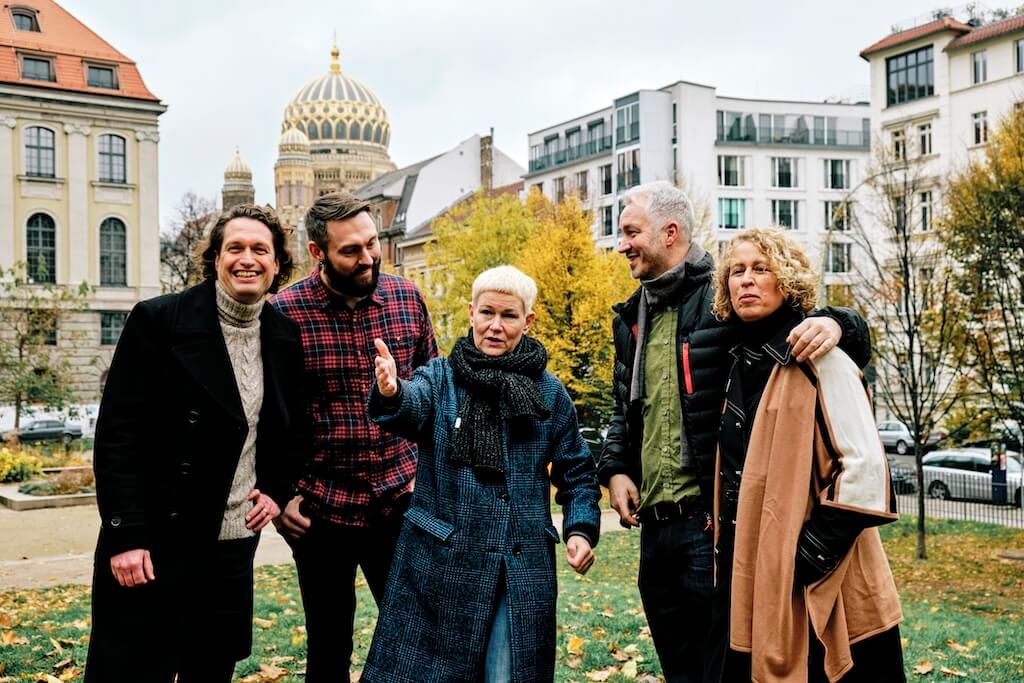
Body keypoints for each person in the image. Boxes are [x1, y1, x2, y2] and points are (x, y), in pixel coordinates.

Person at [596, 182, 870, 683]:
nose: (622, 245)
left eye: (631, 232)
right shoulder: (631, 316)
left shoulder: (722, 301)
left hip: (710, 526)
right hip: (654, 528)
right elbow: (624, 404)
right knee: (679, 668)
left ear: (669, 232)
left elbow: (795, 321)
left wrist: (840, 323)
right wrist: (615, 468)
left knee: (722, 668)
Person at [86, 205, 306, 683]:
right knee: (131, 672)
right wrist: (126, 537)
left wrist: (275, 488)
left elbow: (290, 429)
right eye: (235, 248)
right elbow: (117, 436)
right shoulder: (159, 321)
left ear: (276, 264)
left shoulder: (283, 334)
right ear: (215, 259)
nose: (247, 259)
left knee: (210, 670)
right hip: (154, 544)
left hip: (232, 546)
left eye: (260, 250)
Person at [360, 265, 601, 683]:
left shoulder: (549, 392)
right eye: (487, 312)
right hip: (440, 565)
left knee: (506, 674)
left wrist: (580, 530)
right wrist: (392, 391)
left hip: (519, 565)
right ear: (471, 312)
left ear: (528, 321)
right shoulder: (439, 378)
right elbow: (412, 406)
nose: (495, 325)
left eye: (508, 316)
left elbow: (577, 472)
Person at [709, 228, 903, 682]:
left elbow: (866, 470)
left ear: (788, 280)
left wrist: (807, 556)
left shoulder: (823, 356)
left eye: (761, 268)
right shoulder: (738, 363)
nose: (746, 280)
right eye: (737, 271)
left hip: (825, 573)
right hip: (754, 568)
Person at [269, 191, 438, 681]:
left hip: (400, 501)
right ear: (317, 252)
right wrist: (281, 497)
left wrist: (427, 477)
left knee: (416, 640)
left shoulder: (406, 298)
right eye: (350, 250)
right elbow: (268, 418)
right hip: (321, 510)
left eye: (372, 243)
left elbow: (435, 394)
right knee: (329, 647)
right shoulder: (284, 313)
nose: (368, 258)